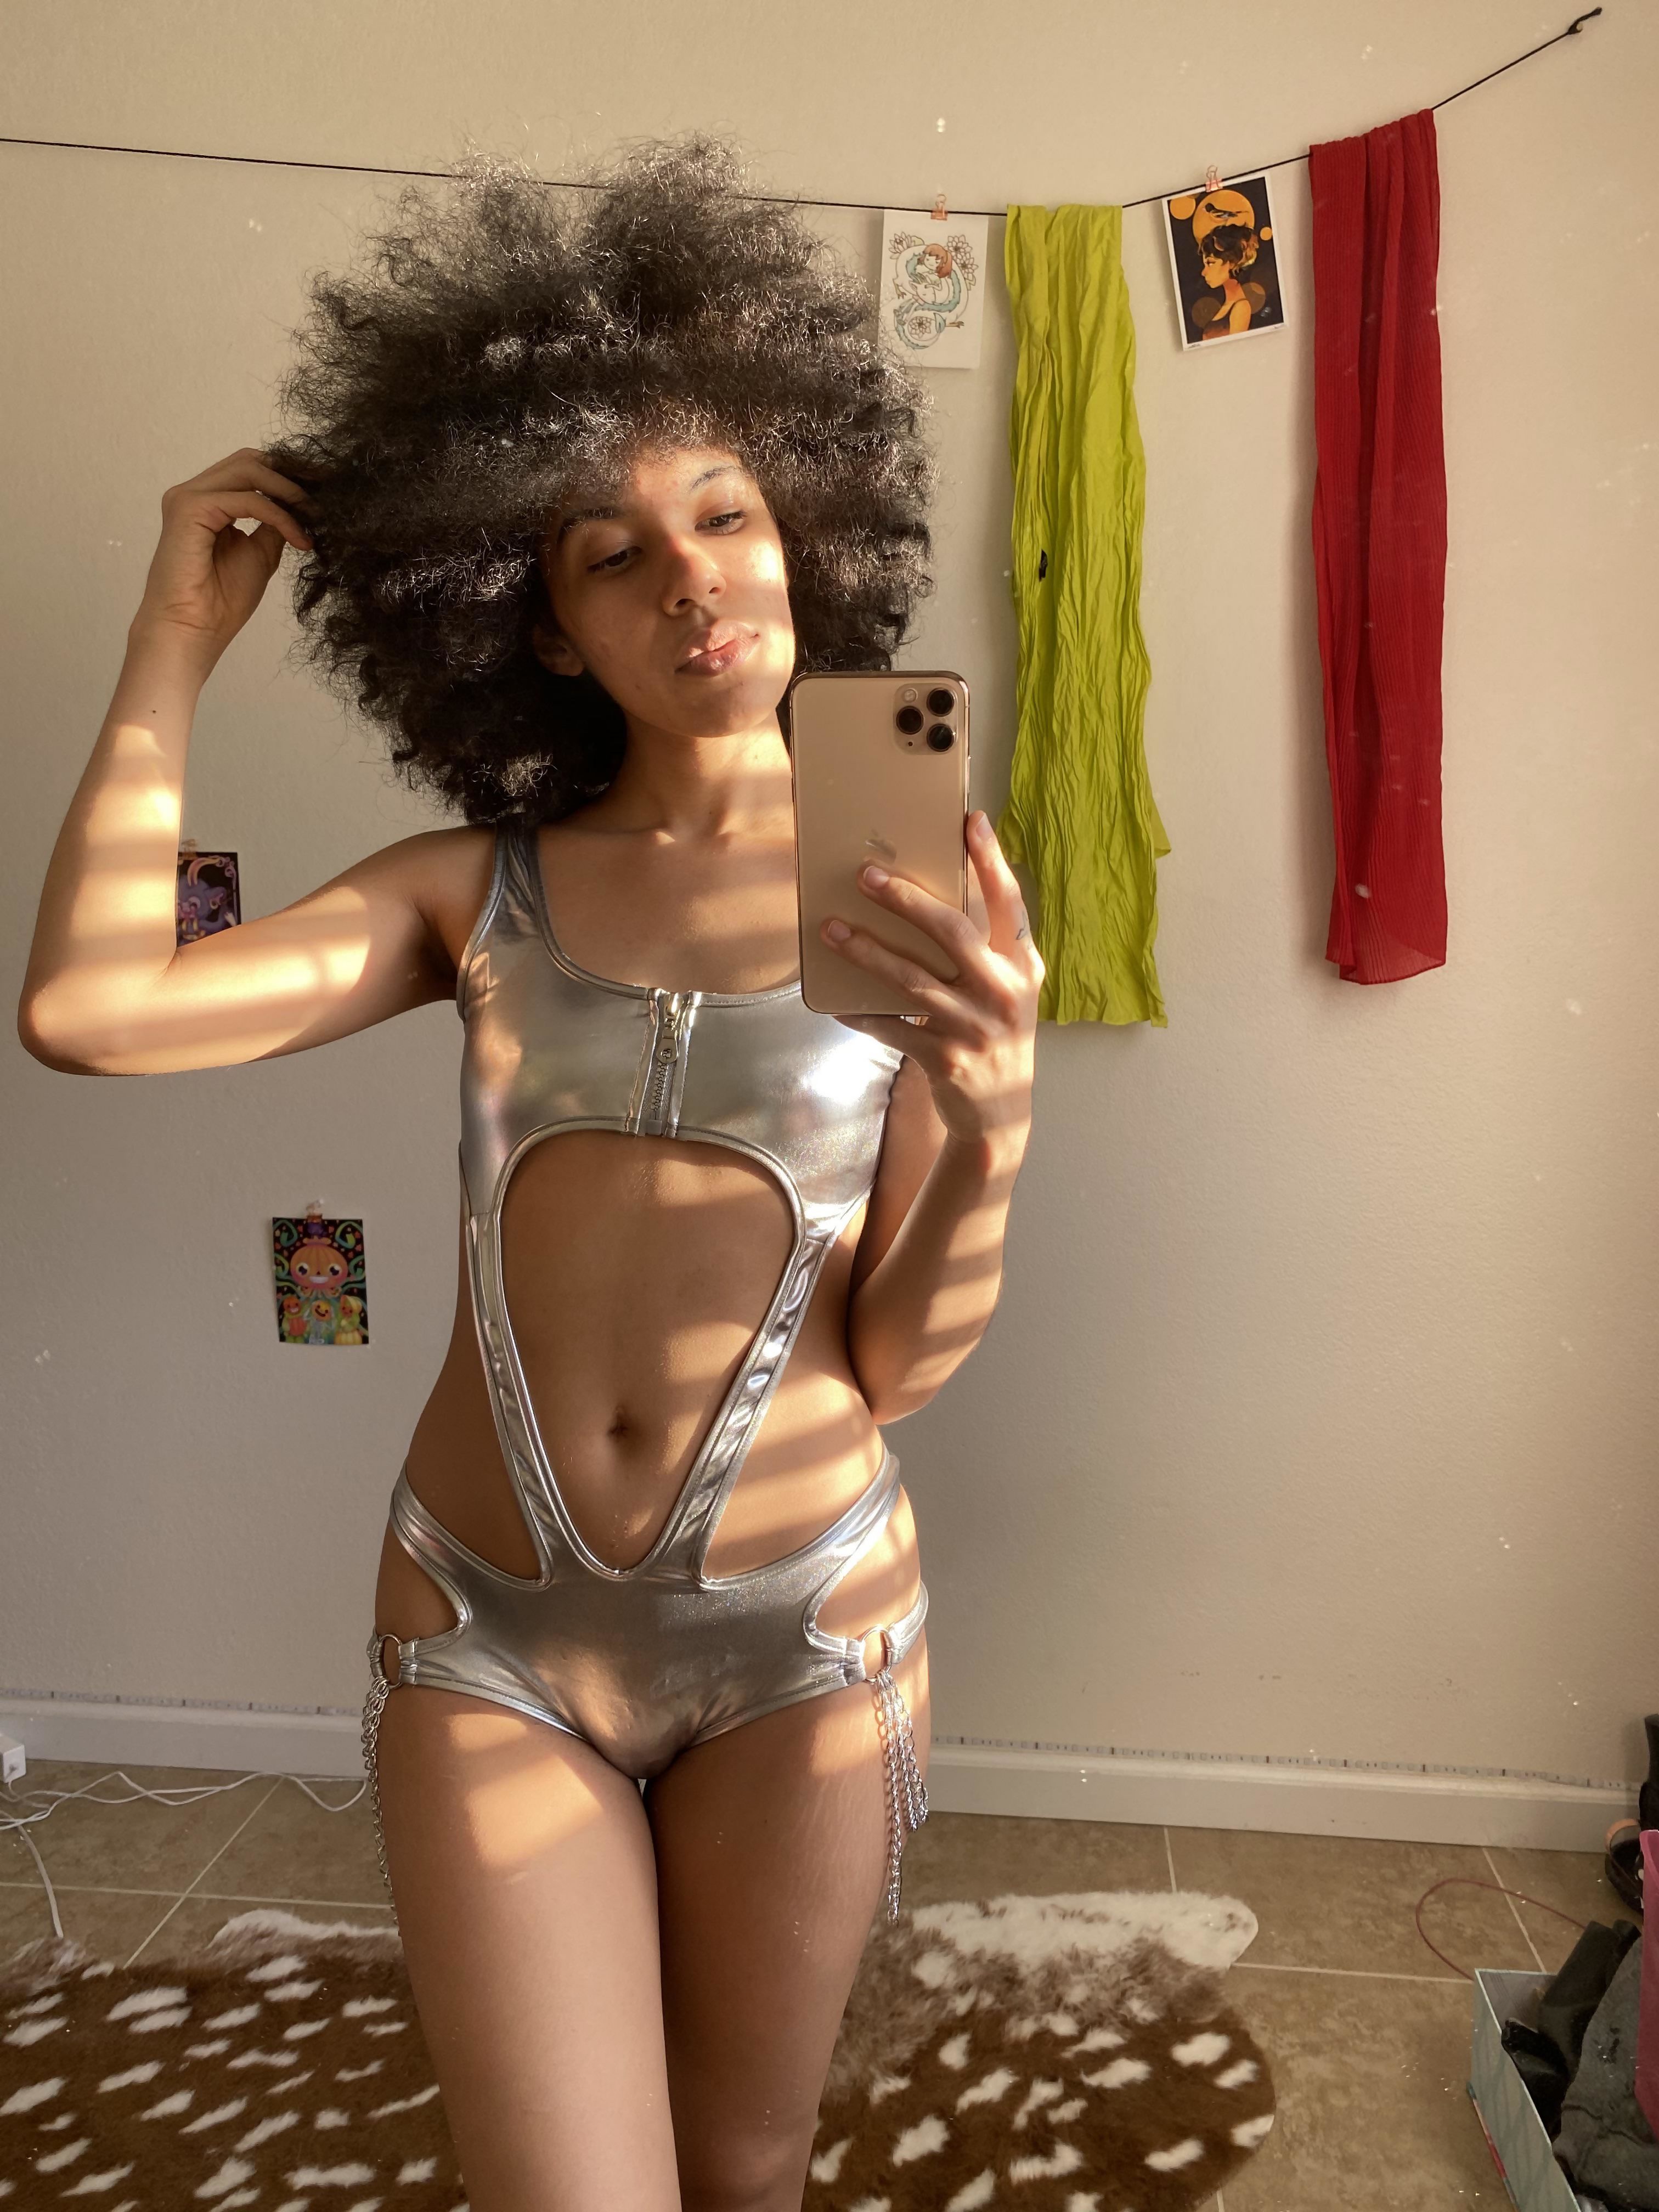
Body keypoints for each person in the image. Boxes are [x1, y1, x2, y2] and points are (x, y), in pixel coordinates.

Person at [17, 132, 1040, 2211]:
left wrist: (997, 1107)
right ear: (544, 629)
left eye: (727, 514)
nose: (693, 580)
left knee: (745, 2173)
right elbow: (95, 1010)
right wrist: (170, 643)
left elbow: (909, 1363)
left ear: (804, 534)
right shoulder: (466, 892)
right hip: (487, 1637)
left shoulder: (906, 891)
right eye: (611, 552)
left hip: (808, 1632)